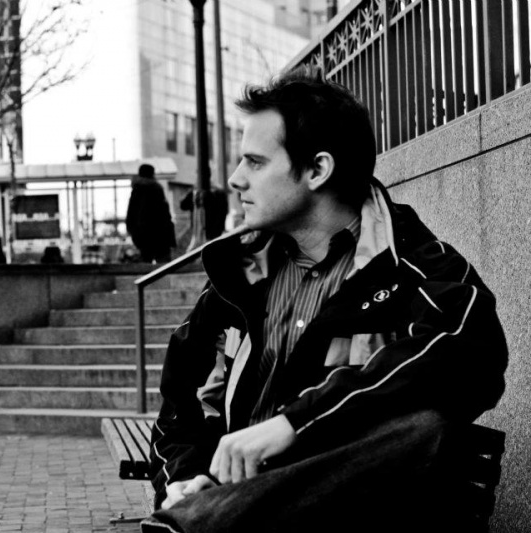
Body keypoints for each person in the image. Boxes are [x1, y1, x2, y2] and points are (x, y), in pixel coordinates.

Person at [143, 67, 507, 532]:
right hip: (233, 506)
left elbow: (471, 351)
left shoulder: (412, 264)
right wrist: (186, 478)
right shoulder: (239, 278)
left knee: (423, 426)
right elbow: (182, 405)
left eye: (255, 162)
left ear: (317, 169)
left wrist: (295, 423)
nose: (235, 179)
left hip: (343, 512)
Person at [126, 163, 177, 263]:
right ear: (152, 174)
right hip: (160, 235)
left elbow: (131, 214)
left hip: (142, 236)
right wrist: (170, 236)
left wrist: (133, 232)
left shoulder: (137, 190)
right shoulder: (157, 189)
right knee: (163, 266)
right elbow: (165, 214)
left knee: (146, 265)